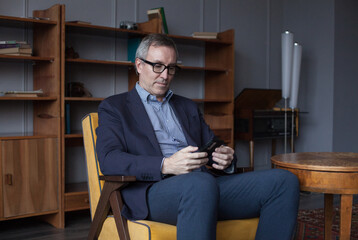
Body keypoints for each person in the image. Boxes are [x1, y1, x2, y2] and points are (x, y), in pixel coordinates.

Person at [96, 33, 299, 240]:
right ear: (139, 65)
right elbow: (109, 159)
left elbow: (211, 145)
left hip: (204, 185)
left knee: (284, 181)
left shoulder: (187, 106)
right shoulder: (115, 107)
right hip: (153, 191)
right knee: (199, 184)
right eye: (157, 66)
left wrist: (226, 157)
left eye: (171, 68)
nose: (165, 75)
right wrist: (165, 164)